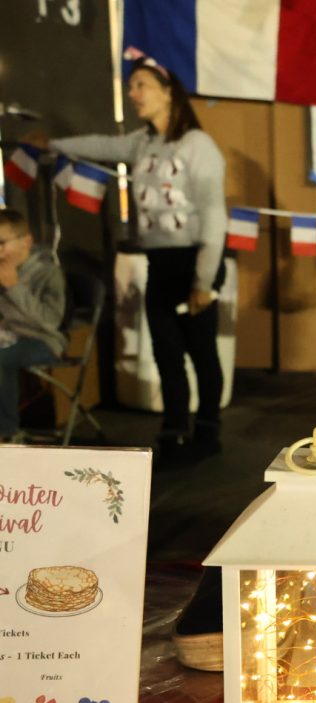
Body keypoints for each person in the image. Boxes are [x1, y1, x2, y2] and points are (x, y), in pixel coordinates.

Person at [39, 56, 227, 463]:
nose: (133, 93)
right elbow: (103, 146)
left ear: (168, 90)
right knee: (166, 349)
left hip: (195, 260)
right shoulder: (143, 144)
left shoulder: (198, 146)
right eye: (132, 85)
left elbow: (214, 215)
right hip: (159, 261)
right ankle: (175, 428)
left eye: (141, 84)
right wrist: (53, 146)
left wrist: (204, 281)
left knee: (201, 350)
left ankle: (208, 430)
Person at [0, 209, 67, 442]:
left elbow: (50, 321)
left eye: (1, 243)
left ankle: (7, 433)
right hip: (7, 336)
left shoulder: (48, 273)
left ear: (26, 242)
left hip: (42, 340)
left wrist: (14, 287)